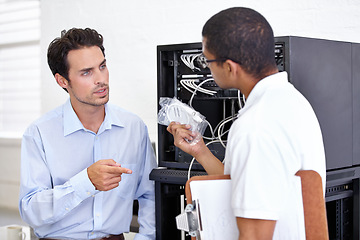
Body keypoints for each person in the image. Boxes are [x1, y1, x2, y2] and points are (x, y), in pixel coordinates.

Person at [167, 7, 326, 240]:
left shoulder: (256, 125)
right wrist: (200, 152)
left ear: (230, 67)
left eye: (207, 60)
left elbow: (254, 234)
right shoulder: (294, 102)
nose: (208, 68)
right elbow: (247, 185)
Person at [19, 28, 157, 240]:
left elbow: (150, 196)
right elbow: (31, 210)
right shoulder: (39, 133)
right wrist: (85, 183)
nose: (100, 79)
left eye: (102, 66)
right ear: (62, 81)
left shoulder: (134, 128)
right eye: (86, 72)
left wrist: (145, 238)